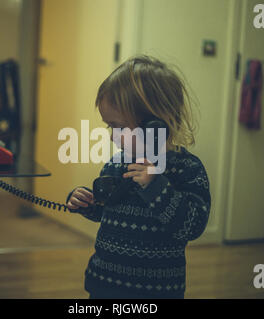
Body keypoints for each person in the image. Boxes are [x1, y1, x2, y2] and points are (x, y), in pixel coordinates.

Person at [66, 55, 211, 299]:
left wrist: (156, 186)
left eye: (118, 127)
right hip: (104, 283)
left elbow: (193, 226)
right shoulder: (116, 163)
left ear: (155, 124)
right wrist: (87, 203)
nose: (112, 136)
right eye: (109, 126)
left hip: (155, 291)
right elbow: (107, 212)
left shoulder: (187, 169)